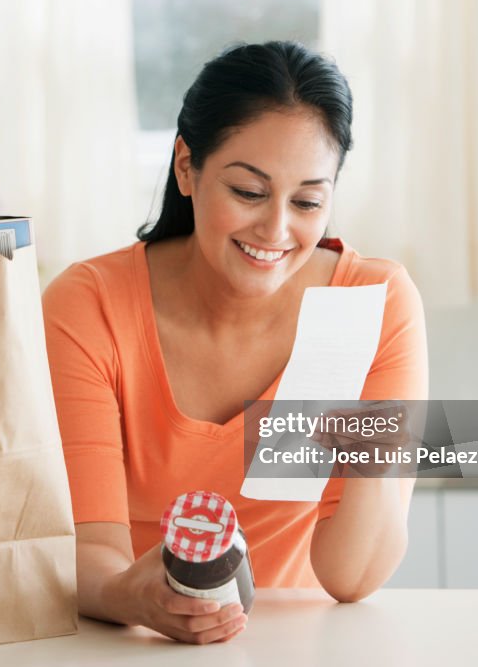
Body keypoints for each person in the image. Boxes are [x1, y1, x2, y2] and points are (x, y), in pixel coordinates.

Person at [42, 41, 428, 644]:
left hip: (301, 645)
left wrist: (367, 408)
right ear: (186, 167)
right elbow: (87, 553)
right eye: (248, 192)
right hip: (122, 642)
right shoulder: (89, 304)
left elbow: (351, 575)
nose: (276, 231)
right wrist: (138, 597)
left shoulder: (373, 302)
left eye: (307, 201)